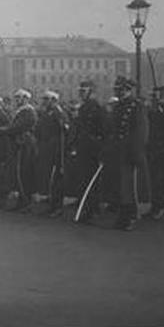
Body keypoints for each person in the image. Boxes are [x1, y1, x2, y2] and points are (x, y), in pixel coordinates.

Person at [109, 76, 148, 231]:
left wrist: (136, 152)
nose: (118, 92)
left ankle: (131, 216)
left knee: (129, 186)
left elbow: (141, 131)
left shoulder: (136, 106)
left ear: (127, 90)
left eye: (120, 89)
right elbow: (114, 130)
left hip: (130, 152)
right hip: (119, 151)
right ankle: (123, 214)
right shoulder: (119, 106)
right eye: (117, 89)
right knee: (120, 185)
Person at [73, 80, 106, 224]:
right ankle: (86, 207)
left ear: (91, 92)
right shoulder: (83, 108)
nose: (81, 94)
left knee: (92, 181)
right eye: (80, 91)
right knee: (83, 179)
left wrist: (100, 148)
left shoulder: (97, 108)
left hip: (93, 149)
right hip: (83, 147)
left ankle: (93, 209)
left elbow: (104, 130)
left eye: (84, 91)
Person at [1, 88, 38, 211]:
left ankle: (26, 202)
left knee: (23, 173)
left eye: (19, 97)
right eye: (16, 97)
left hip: (25, 144)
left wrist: (5, 130)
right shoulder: (20, 111)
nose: (17, 100)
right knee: (18, 173)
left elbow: (18, 127)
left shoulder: (28, 112)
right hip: (19, 143)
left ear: (26, 99)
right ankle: (21, 201)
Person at [36, 90, 69, 217]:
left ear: (54, 100)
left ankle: (57, 206)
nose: (44, 101)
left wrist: (61, 151)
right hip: (47, 149)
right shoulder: (46, 113)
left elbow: (64, 132)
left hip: (57, 150)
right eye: (44, 99)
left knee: (57, 179)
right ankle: (52, 204)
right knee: (50, 177)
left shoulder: (58, 113)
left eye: (47, 99)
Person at [143, 86, 164, 220]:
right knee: (154, 180)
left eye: (156, 97)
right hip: (153, 150)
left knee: (162, 180)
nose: (153, 99)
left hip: (163, 151)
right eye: (153, 97)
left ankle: (161, 207)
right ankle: (155, 206)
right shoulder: (153, 111)